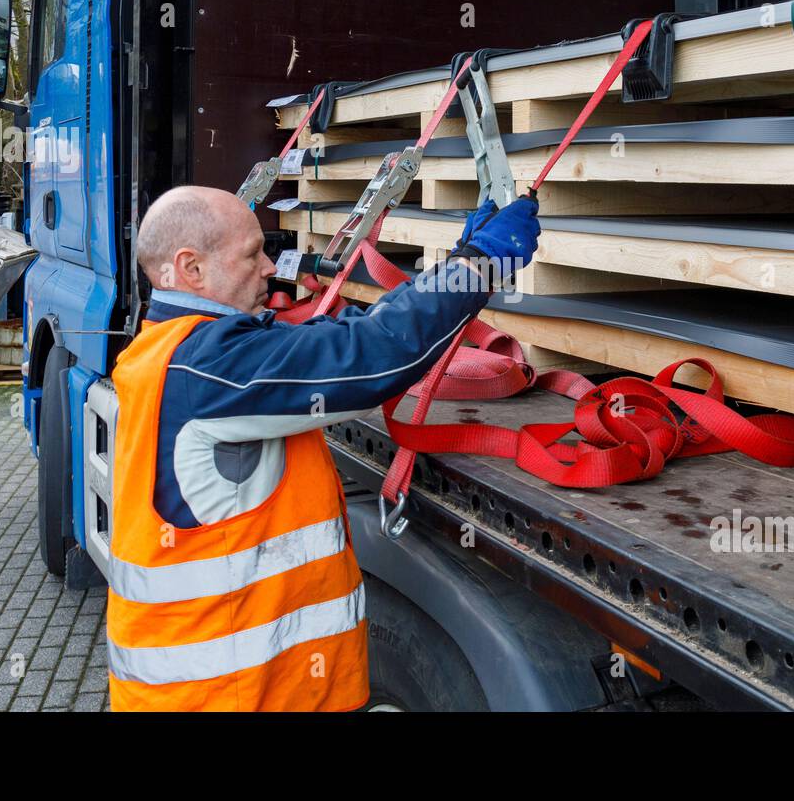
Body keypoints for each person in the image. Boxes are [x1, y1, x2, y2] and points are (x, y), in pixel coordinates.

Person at [105, 184, 541, 711]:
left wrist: (452, 270)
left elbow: (342, 339)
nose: (270, 267)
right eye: (252, 254)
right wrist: (477, 269)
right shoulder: (206, 366)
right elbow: (368, 356)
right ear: (190, 268)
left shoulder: (170, 352)